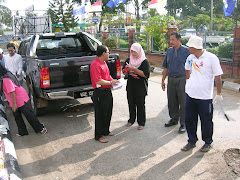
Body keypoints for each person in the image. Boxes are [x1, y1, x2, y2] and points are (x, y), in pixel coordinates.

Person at [181, 36, 223, 152]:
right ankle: (191, 141)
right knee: (190, 119)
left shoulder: (211, 58)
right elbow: (187, 70)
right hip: (191, 95)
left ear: (195, 47)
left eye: (190, 46)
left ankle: (208, 142)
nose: (188, 48)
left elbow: (218, 76)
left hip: (205, 97)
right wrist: (191, 82)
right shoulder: (190, 58)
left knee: (206, 120)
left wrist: (219, 93)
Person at [0, 62, 47, 137]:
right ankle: (22, 132)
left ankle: (40, 128)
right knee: (17, 116)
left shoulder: (6, 79)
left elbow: (12, 91)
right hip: (15, 98)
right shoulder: (6, 74)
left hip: (19, 98)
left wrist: (14, 104)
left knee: (28, 114)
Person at [162, 31, 190, 133]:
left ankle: (183, 123)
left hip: (182, 79)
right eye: (170, 39)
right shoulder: (169, 51)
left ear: (179, 40)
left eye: (173, 39)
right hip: (171, 79)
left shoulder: (186, 51)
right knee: (172, 100)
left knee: (183, 102)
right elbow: (165, 66)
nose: (171, 41)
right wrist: (163, 80)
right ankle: (174, 119)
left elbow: (191, 66)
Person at [90, 45, 119, 143]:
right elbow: (98, 80)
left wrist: (112, 80)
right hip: (100, 93)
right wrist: (111, 83)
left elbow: (107, 75)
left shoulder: (104, 62)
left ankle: (106, 130)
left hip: (107, 91)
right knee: (100, 114)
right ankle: (98, 135)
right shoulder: (95, 64)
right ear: (103, 54)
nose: (109, 54)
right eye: (108, 52)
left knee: (108, 112)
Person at [122, 43, 150, 130]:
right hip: (131, 86)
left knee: (140, 104)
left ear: (139, 51)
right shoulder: (128, 60)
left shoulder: (144, 61)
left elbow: (146, 75)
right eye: (132, 52)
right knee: (131, 103)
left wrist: (134, 69)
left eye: (135, 52)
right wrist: (126, 70)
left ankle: (141, 122)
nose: (133, 54)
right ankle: (131, 120)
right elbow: (124, 72)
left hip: (140, 87)